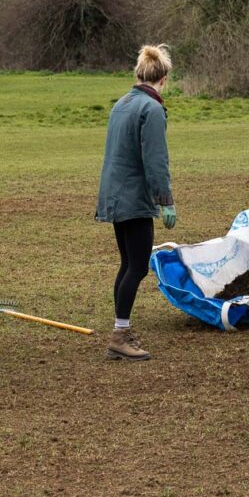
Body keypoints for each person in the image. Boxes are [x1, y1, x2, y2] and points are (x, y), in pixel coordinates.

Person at [96, 45, 176, 362]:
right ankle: (120, 334)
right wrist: (165, 201)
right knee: (138, 266)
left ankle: (121, 328)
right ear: (164, 78)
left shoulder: (123, 103)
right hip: (133, 198)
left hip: (115, 195)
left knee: (128, 264)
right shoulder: (152, 110)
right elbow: (156, 161)